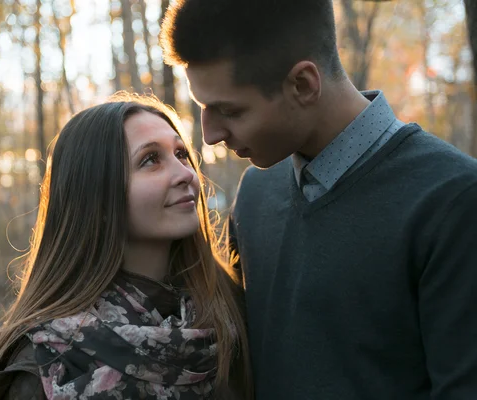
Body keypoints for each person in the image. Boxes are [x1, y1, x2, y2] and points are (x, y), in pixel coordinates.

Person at [160, 0, 477, 399]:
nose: (209, 135)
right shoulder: (256, 193)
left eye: (229, 111)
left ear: (303, 84)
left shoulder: (453, 199)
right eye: (204, 108)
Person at [0, 94, 253, 400]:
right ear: (98, 198)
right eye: (151, 159)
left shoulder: (229, 313)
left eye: (180, 154)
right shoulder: (49, 362)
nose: (186, 174)